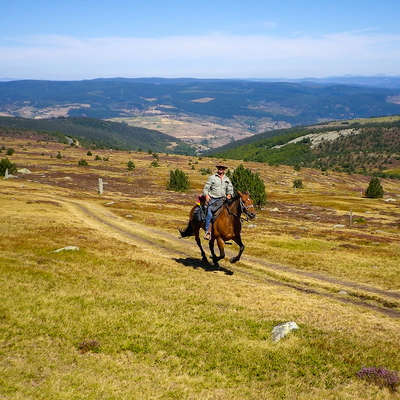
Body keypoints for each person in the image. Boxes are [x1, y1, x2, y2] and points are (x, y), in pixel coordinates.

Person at [202, 164, 233, 240]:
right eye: (219, 168)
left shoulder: (227, 179)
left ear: (224, 169)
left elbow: (230, 189)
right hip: (213, 199)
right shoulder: (212, 178)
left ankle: (229, 231)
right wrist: (206, 195)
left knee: (230, 213)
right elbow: (206, 189)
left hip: (223, 199)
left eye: (222, 168)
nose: (221, 169)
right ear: (217, 169)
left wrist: (229, 194)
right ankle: (208, 231)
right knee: (209, 212)